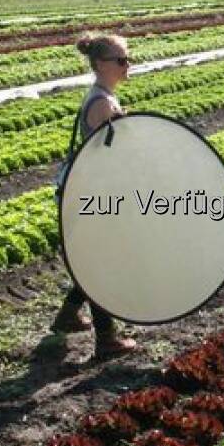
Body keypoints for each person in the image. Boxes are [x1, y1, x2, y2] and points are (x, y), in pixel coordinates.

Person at [49, 31, 139, 358]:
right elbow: (106, 157)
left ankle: (69, 314)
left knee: (96, 259)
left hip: (93, 191)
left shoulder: (103, 96)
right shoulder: (101, 103)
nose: (127, 64)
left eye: (127, 58)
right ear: (101, 64)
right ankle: (106, 339)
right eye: (121, 60)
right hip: (94, 194)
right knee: (102, 263)